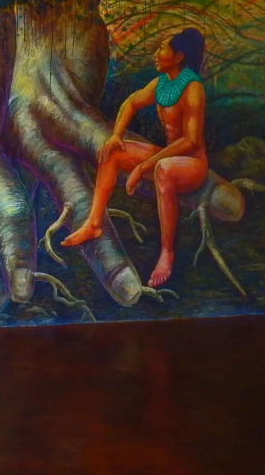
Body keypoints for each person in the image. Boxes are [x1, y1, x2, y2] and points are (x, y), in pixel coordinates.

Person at [62, 28, 209, 288]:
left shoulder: (193, 88)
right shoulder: (162, 83)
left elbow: (191, 140)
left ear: (178, 57)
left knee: (163, 168)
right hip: (167, 157)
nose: (156, 53)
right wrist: (115, 135)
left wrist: (143, 167)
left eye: (162, 48)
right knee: (113, 151)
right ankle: (94, 223)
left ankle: (167, 253)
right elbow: (130, 102)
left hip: (192, 165)